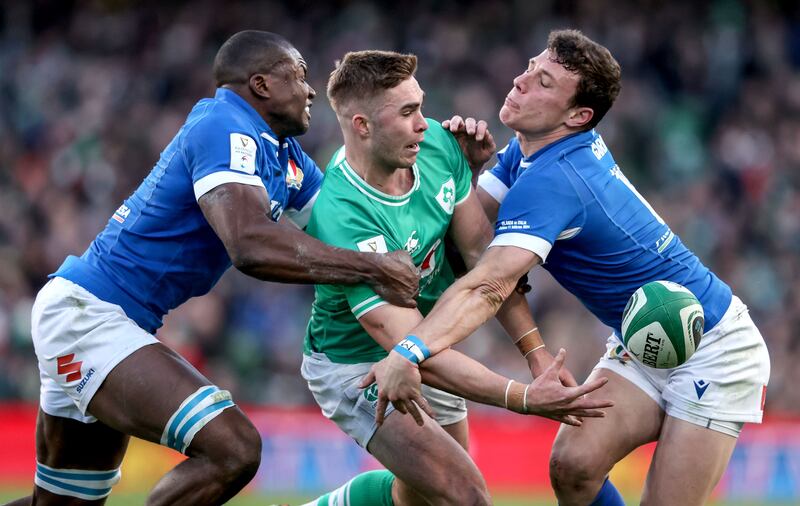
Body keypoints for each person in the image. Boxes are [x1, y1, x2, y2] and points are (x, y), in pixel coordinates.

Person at [363, 29, 771, 506]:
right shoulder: (529, 153)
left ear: (577, 116)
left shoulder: (556, 181)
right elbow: (464, 230)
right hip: (646, 334)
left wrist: (409, 349)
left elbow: (489, 284)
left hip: (714, 347)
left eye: (544, 82)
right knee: (573, 466)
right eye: (530, 68)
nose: (520, 82)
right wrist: (458, 170)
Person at [14, 31, 421, 506]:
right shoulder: (223, 124)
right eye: (300, 76)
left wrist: (437, 188)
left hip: (106, 321)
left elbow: (344, 222)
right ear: (262, 84)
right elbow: (248, 244)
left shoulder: (283, 153)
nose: (311, 91)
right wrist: (372, 269)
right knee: (234, 448)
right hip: (89, 317)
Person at [298, 50, 611, 506]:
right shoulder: (343, 216)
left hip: (425, 342)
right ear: (362, 126)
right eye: (407, 113)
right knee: (464, 495)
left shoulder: (437, 148)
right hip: (358, 365)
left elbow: (484, 262)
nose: (426, 123)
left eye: (420, 105)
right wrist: (523, 398)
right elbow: (403, 347)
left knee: (421, 497)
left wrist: (536, 354)